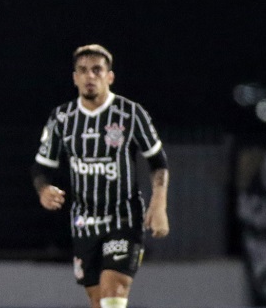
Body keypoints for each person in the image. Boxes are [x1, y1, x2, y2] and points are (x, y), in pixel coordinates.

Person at [31, 44, 170, 308]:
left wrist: (159, 203)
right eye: (83, 71)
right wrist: (43, 190)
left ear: (109, 77)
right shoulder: (62, 118)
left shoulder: (130, 114)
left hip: (124, 218)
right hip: (84, 222)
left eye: (97, 70)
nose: (89, 76)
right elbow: (40, 167)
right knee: (98, 300)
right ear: (75, 78)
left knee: (114, 288)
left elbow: (158, 161)